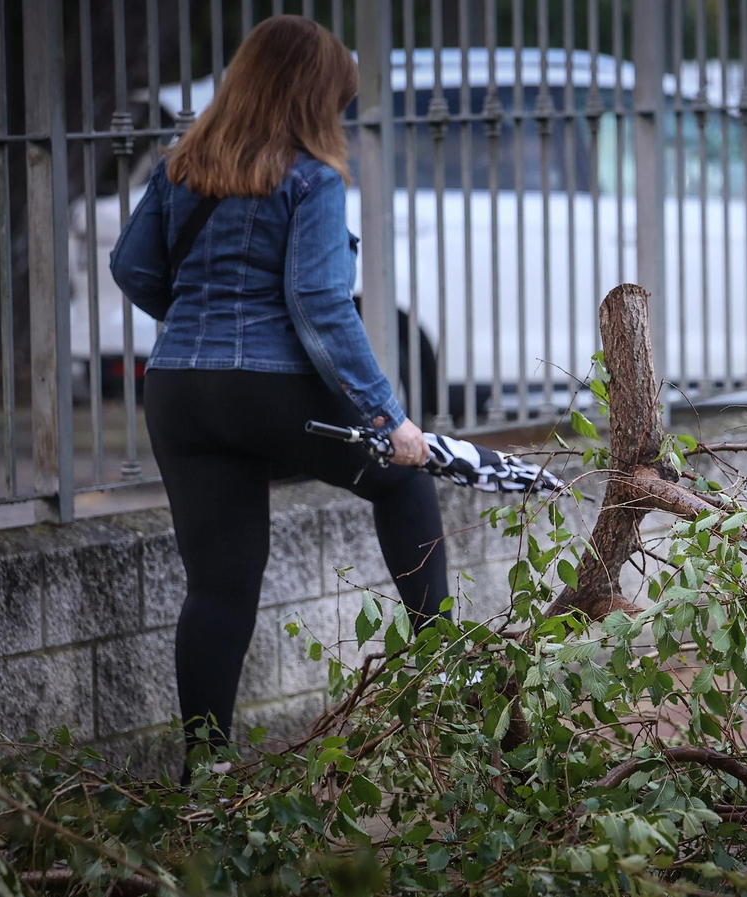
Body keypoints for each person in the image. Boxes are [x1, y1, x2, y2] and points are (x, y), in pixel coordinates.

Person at [108, 16, 448, 775]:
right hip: (268, 391)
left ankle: (207, 771)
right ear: (310, 96)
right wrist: (388, 418)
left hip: (178, 392)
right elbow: (321, 304)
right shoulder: (311, 177)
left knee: (220, 584)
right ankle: (450, 680)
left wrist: (196, 327)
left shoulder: (180, 166)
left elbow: (131, 270)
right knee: (406, 482)